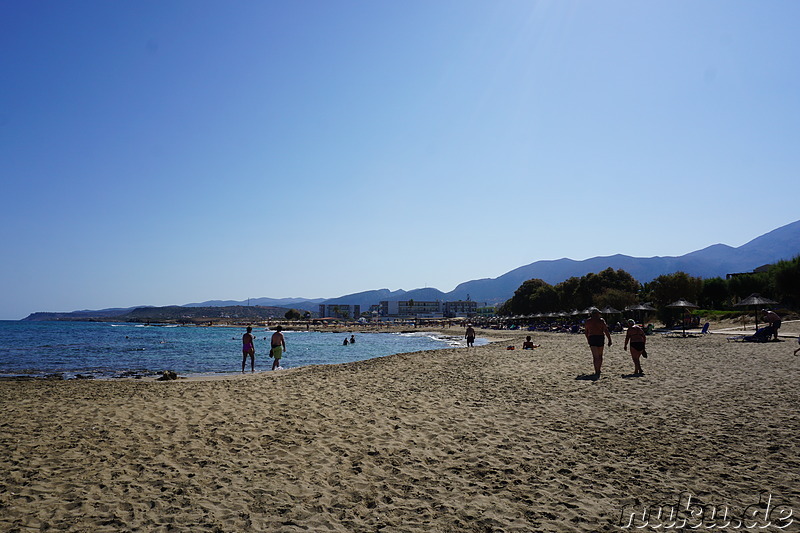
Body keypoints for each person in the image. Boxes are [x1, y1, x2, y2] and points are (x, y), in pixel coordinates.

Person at [584, 308, 612, 379]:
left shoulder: (588, 321)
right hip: (600, 337)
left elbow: (586, 332)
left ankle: (597, 370)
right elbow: (605, 330)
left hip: (592, 337)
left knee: (595, 356)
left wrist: (588, 339)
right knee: (600, 355)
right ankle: (598, 369)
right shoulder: (601, 321)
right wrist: (609, 339)